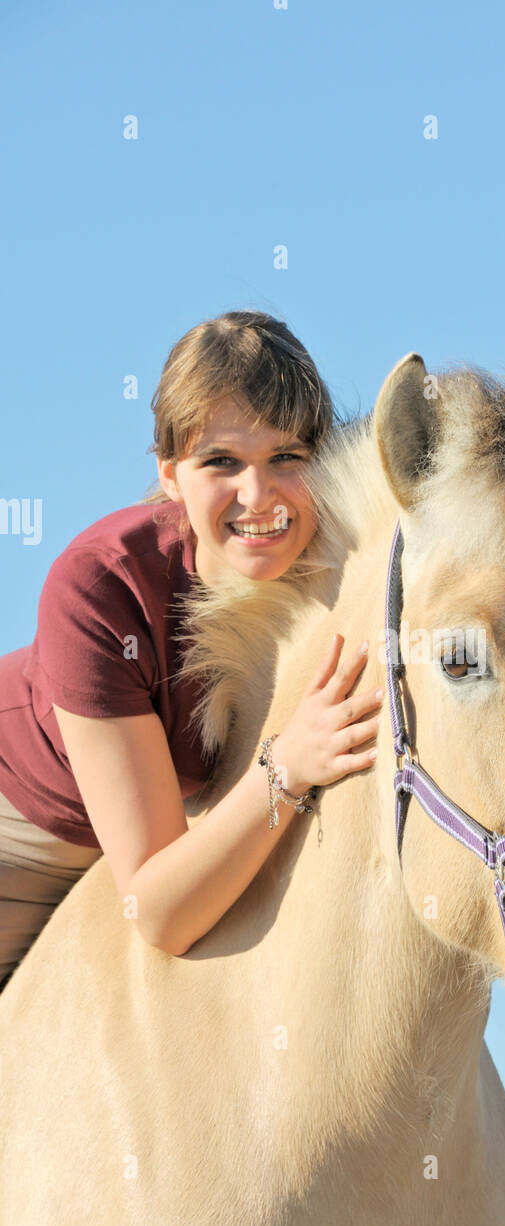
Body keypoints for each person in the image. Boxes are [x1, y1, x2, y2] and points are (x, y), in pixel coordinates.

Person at [0, 310, 383, 993]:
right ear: (170, 474)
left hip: (163, 831)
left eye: (286, 458)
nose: (258, 495)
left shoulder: (338, 563)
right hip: (24, 832)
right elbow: (160, 912)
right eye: (222, 463)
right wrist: (286, 769)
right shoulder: (98, 588)